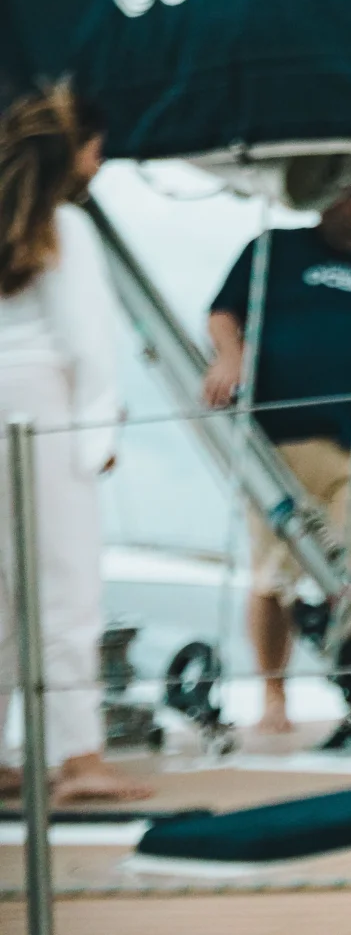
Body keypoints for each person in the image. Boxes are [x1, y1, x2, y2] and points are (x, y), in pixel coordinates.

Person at [0, 84, 148, 804]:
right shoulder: (64, 229)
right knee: (65, 586)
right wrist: (99, 438)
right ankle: (77, 757)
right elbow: (91, 346)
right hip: (43, 401)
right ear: (76, 153)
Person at [202, 173, 351, 736]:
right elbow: (223, 311)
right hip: (282, 442)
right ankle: (273, 697)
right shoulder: (274, 249)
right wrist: (230, 358)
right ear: (328, 197)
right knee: (272, 577)